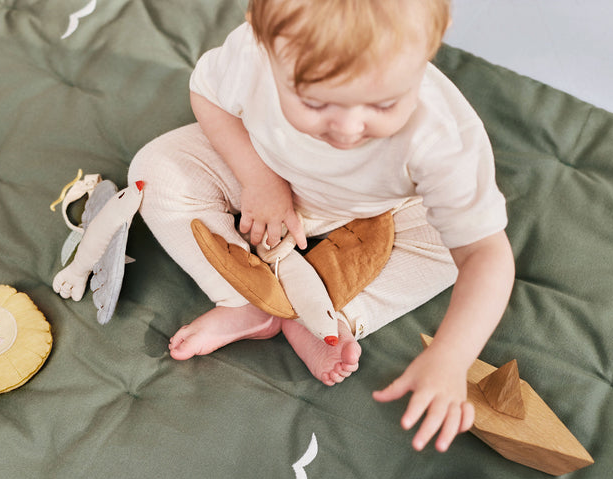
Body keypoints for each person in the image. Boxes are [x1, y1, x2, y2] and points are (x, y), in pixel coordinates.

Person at [127, 0, 515, 452]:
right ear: (266, 42)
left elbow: (487, 257)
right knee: (155, 169)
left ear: (432, 42)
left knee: (447, 252)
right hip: (262, 171)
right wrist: (259, 179)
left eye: (385, 102)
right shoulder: (255, 54)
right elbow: (208, 97)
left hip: (376, 209)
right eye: (315, 102)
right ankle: (245, 301)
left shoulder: (442, 139)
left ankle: (324, 319)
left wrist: (451, 357)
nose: (350, 128)